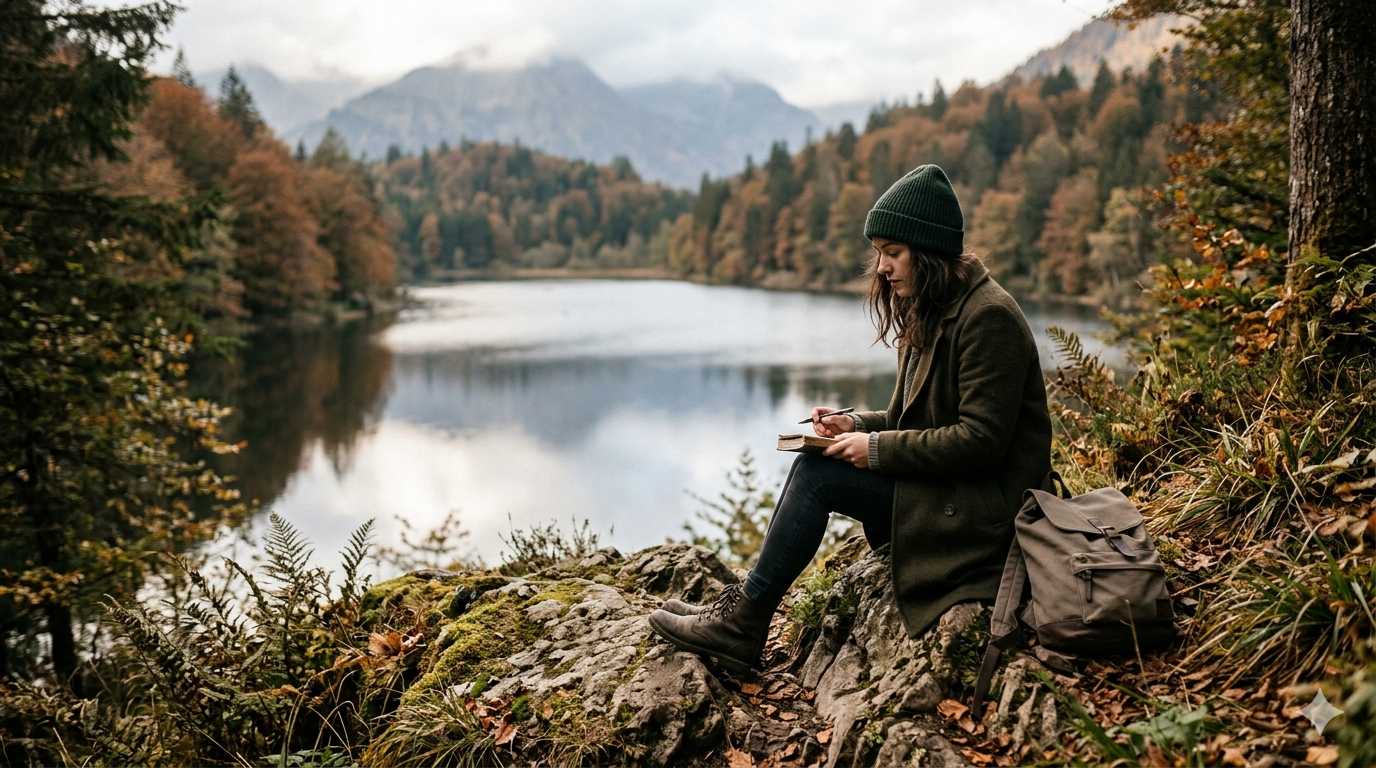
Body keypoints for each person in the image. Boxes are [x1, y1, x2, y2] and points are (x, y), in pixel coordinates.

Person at [648, 165, 1053, 674]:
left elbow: (982, 440)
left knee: (819, 478)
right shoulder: (931, 308)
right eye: (879, 252)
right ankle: (745, 609)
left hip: (985, 512)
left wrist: (876, 449)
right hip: (948, 489)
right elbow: (911, 418)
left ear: (928, 251)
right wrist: (857, 425)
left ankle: (744, 622)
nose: (881, 266)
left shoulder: (989, 317)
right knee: (812, 463)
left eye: (893, 252)